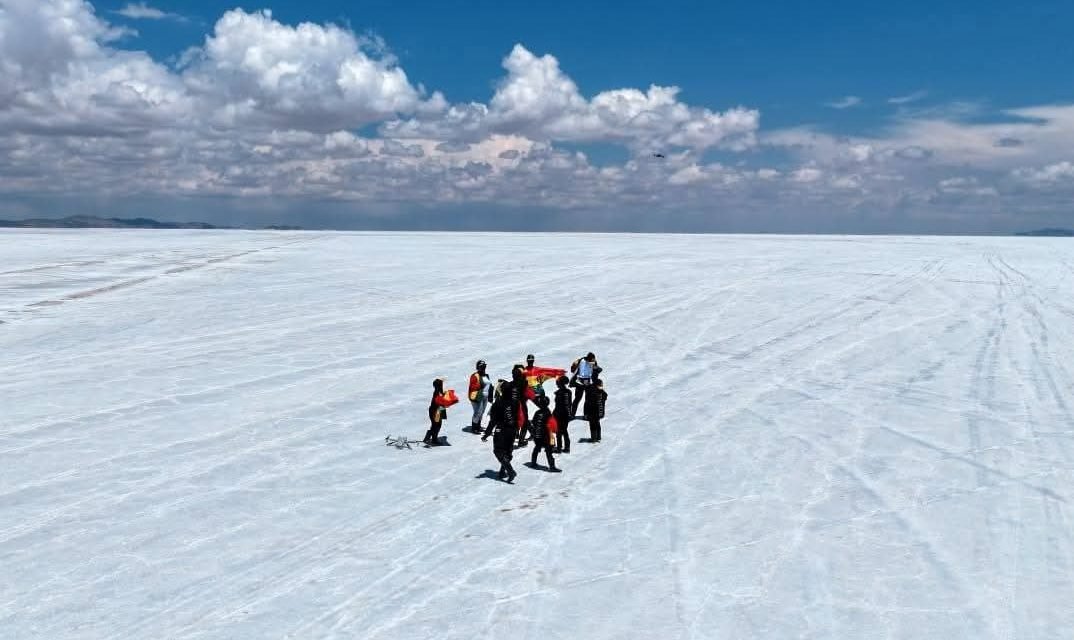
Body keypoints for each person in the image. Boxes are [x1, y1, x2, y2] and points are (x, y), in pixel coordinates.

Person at [482, 381, 517, 482]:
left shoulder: (498, 403)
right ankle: (502, 471)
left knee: (498, 451)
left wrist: (487, 433)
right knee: (508, 451)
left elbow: (493, 421)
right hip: (512, 429)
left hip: (501, 429)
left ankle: (510, 471)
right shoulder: (515, 402)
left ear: (502, 390)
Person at [529, 395, 559, 471]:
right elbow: (552, 425)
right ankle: (552, 466)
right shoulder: (548, 413)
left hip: (537, 434)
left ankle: (533, 462)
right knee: (548, 451)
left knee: (537, 448)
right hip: (545, 435)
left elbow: (533, 422)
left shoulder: (537, 412)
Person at [424, 378, 457, 446]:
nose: (442, 385)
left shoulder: (438, 391)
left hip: (437, 411)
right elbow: (441, 402)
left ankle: (429, 437)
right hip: (436, 412)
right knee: (437, 425)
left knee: (435, 425)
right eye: (441, 384)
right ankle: (433, 439)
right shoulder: (438, 393)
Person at [468, 360, 492, 433]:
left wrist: (490, 395)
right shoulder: (475, 375)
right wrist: (480, 385)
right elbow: (472, 386)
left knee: (482, 412)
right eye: (481, 366)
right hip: (477, 396)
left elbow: (489, 385)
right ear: (478, 367)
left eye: (484, 366)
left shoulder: (486, 375)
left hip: (485, 397)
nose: (483, 368)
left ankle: (478, 426)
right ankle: (474, 427)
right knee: (478, 412)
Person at [553, 375, 573, 454]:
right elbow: (568, 404)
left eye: (557, 383)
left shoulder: (560, 393)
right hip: (565, 414)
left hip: (560, 414)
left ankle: (559, 448)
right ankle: (567, 447)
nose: (557, 384)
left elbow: (559, 405)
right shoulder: (568, 392)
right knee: (564, 431)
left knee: (559, 431)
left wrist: (554, 414)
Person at [584, 377, 607, 443]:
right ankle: (598, 437)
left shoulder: (591, 391)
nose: (601, 385)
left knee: (593, 424)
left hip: (592, 411)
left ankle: (594, 438)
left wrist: (586, 412)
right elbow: (604, 397)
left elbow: (587, 402)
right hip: (598, 411)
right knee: (597, 423)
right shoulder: (600, 391)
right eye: (601, 384)